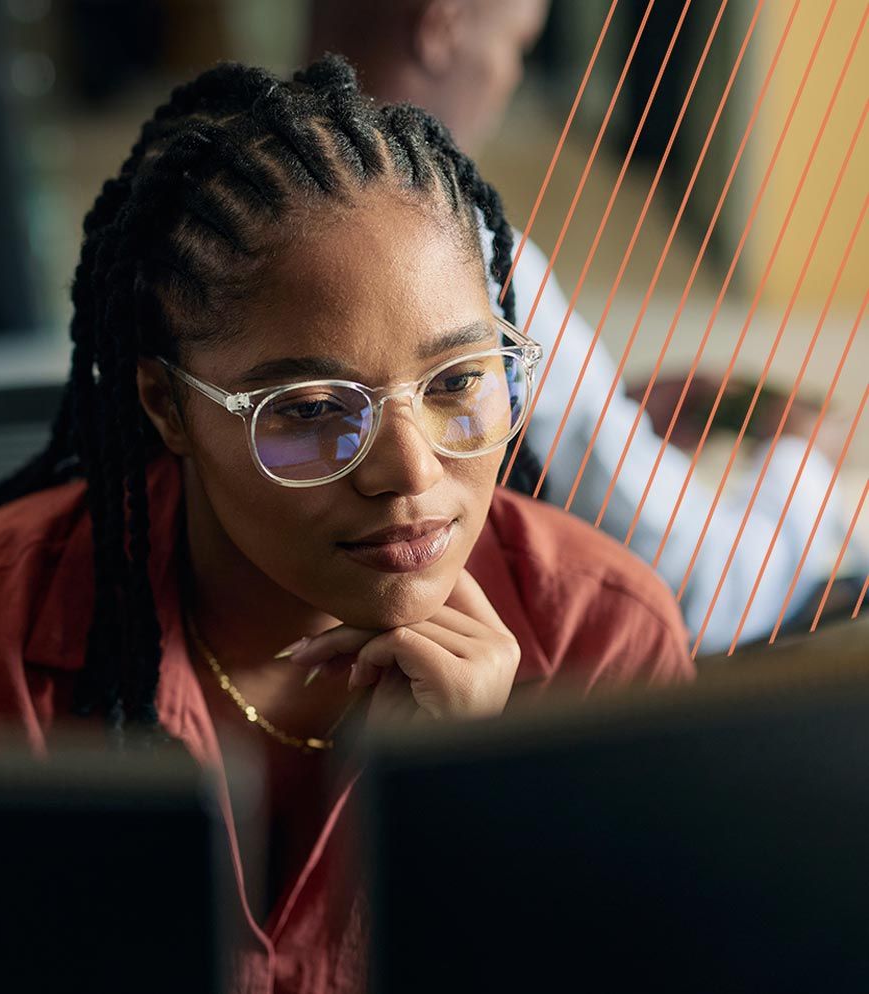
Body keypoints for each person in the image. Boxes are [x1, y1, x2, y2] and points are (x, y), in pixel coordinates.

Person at [0, 57, 693, 994]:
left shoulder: (605, 645)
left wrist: (469, 799)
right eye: (311, 407)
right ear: (167, 407)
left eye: (457, 383)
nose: (412, 475)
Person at [308, 0, 861, 652]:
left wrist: (605, 412)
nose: (510, 77)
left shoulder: (235, 205)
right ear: (443, 25)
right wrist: (805, 464)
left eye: (459, 382)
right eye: (517, 43)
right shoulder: (470, 259)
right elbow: (699, 586)